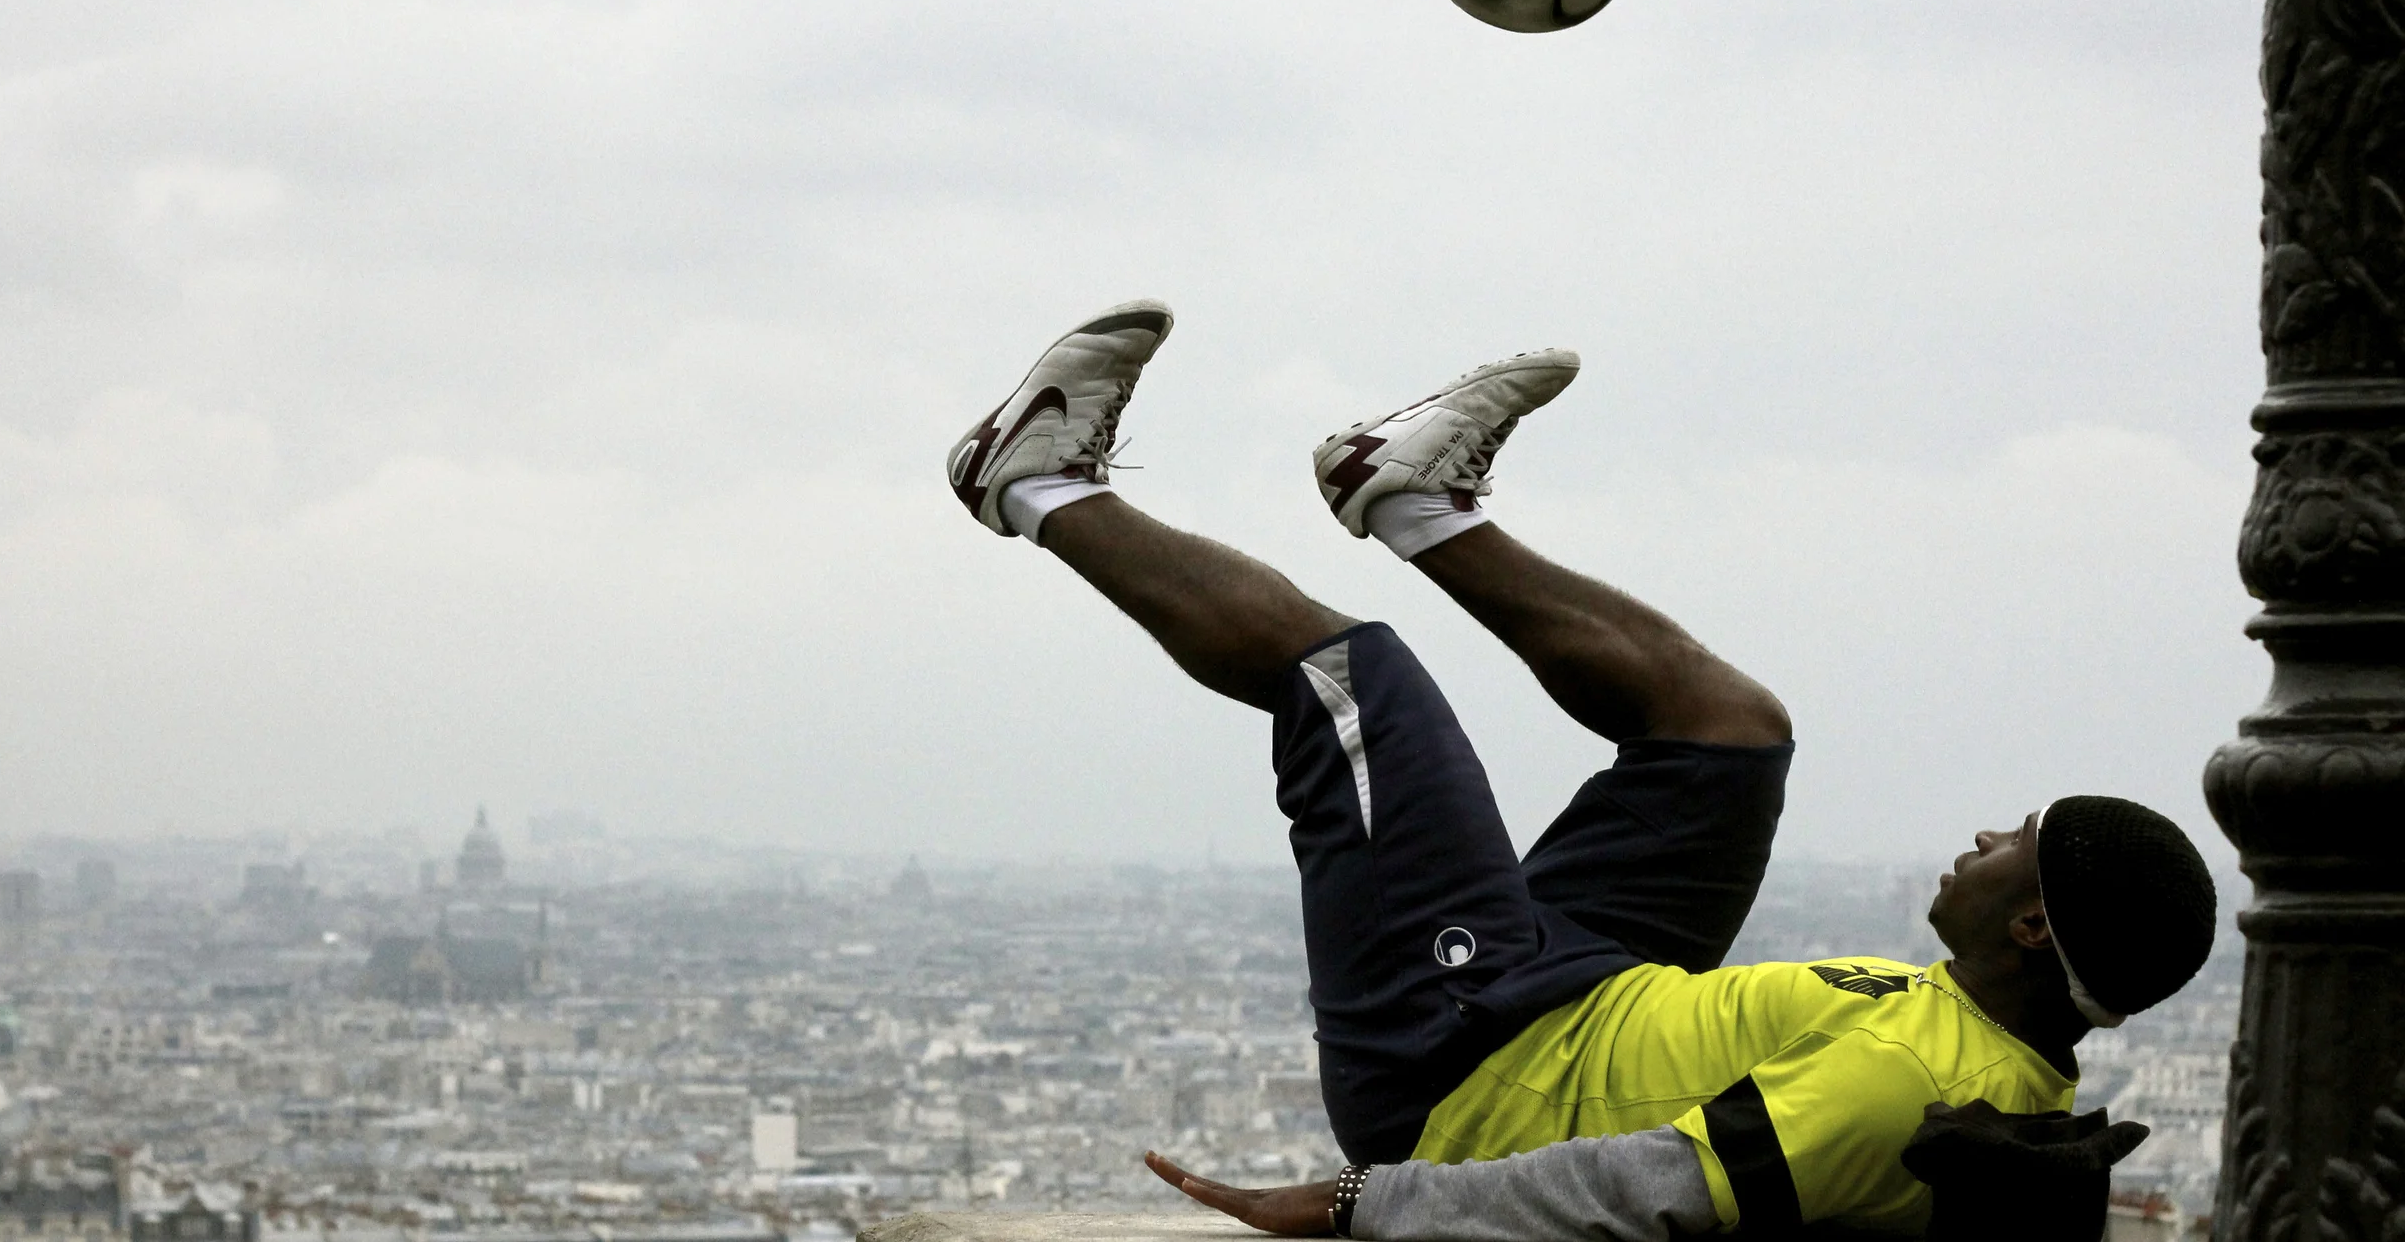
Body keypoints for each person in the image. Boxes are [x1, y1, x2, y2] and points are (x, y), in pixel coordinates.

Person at [946, 300, 2218, 1239]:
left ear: (2033, 918)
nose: (1982, 834)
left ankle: (1034, 480)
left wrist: (1358, 1198)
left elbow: (1648, 1187)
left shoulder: (1910, 1082)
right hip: (1600, 982)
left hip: (1466, 1057)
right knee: (1732, 728)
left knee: (1348, 673)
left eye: (2015, 840)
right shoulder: (1990, 1034)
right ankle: (1410, 497)